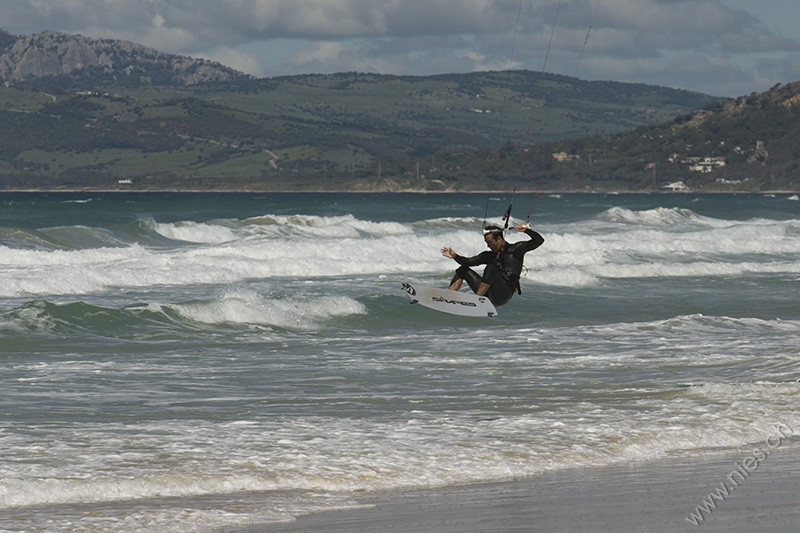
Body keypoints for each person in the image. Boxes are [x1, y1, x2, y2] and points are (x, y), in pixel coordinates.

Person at [441, 224, 544, 306]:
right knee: (462, 270)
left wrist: (526, 230)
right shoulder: (489, 255)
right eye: (486, 242)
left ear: (499, 239)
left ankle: (476, 302)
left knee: (492, 267)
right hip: (488, 293)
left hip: (503, 294)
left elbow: (539, 241)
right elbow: (468, 262)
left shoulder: (515, 250)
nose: (487, 245)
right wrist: (455, 256)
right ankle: (448, 298)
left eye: (489, 242)